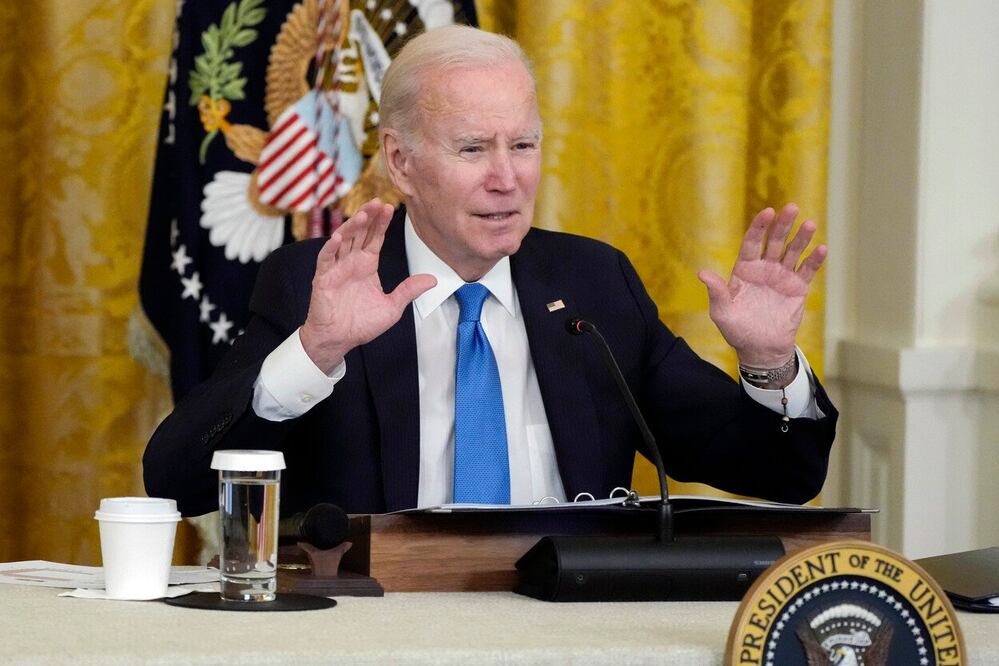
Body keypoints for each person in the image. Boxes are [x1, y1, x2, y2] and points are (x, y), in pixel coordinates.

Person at [143, 25, 837, 518]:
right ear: (401, 161)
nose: (507, 178)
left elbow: (781, 475)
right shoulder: (315, 286)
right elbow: (176, 483)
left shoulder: (594, 283)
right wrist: (315, 350)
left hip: (567, 634)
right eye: (473, 148)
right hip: (384, 635)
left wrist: (769, 364)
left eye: (523, 145)